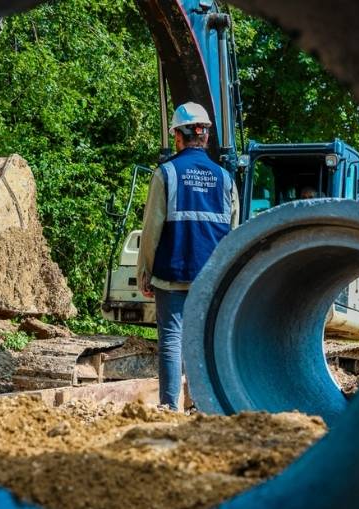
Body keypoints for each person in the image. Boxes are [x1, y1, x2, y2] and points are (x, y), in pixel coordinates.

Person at [137, 102, 239, 411]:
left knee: (171, 339)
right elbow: (233, 233)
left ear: (178, 137)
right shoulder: (225, 178)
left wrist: (145, 271)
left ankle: (170, 407)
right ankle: (203, 405)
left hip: (173, 271)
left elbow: (151, 229)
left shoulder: (166, 173)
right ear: (205, 136)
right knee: (204, 341)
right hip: (211, 277)